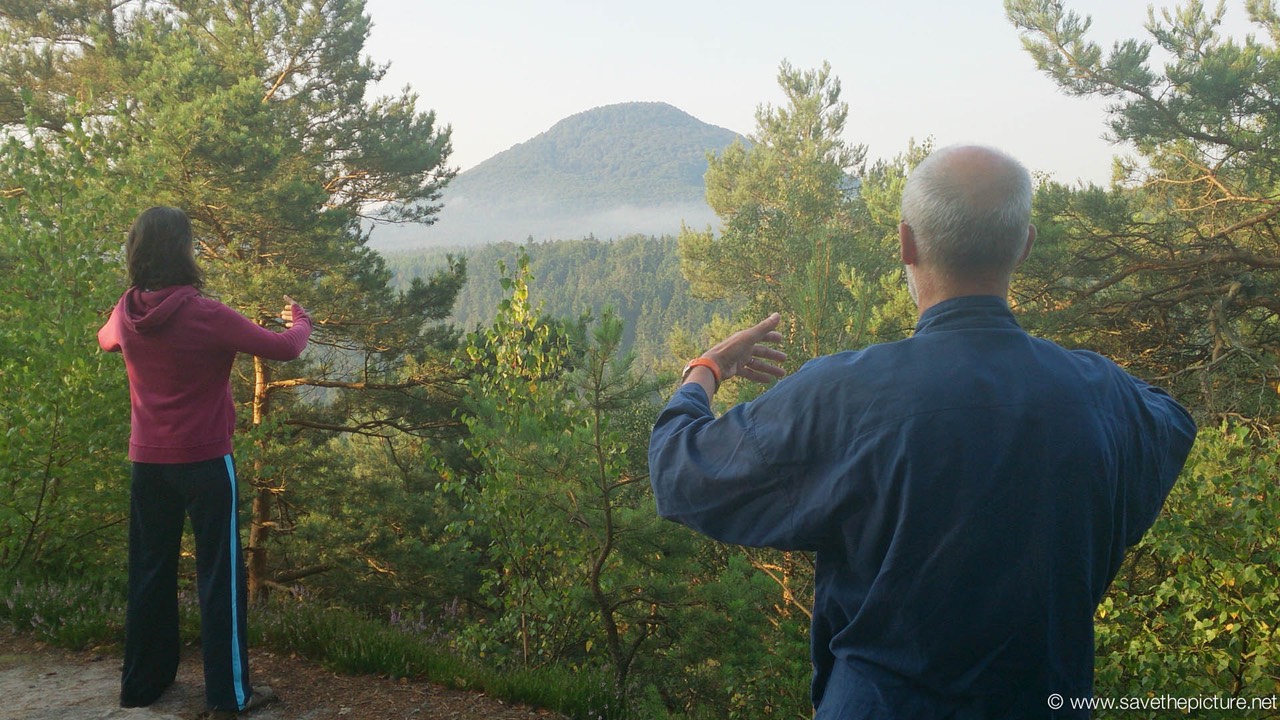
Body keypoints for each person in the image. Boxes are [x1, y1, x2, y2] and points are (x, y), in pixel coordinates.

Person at [648, 145, 1198, 718]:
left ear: (906, 243)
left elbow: (678, 471)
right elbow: (1171, 420)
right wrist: (1071, 374)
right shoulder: (1101, 396)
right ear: (1025, 245)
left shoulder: (846, 395)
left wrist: (705, 371)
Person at [98, 206, 313, 716]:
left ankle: (141, 686)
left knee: (150, 571)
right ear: (184, 251)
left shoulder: (125, 311)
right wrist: (301, 318)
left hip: (147, 466)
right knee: (221, 577)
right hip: (206, 464)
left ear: (137, 252)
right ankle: (228, 696)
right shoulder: (205, 313)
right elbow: (286, 348)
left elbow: (106, 341)